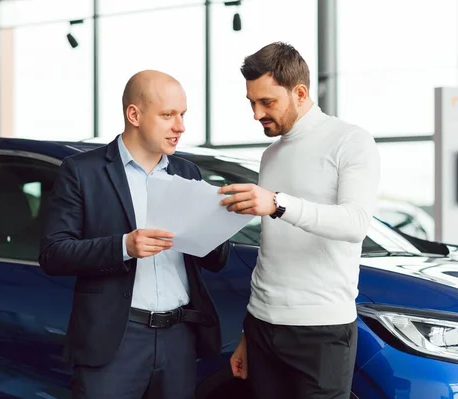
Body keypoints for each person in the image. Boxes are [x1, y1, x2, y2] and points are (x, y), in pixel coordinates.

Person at [39, 70, 230, 399]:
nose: (180, 126)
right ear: (134, 115)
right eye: (168, 115)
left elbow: (215, 260)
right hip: (116, 339)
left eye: (182, 115)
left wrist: (220, 221)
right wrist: (124, 246)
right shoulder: (82, 171)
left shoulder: (187, 172)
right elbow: (54, 254)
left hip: (178, 338)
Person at [220, 42, 381, 398]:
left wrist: (278, 203)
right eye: (251, 102)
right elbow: (271, 250)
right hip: (262, 327)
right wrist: (248, 331)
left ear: (300, 92)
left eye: (267, 102)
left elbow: (354, 224)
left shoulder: (351, 142)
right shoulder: (270, 155)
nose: (256, 113)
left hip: (321, 330)